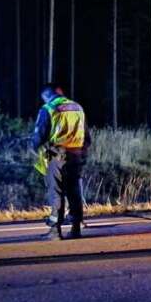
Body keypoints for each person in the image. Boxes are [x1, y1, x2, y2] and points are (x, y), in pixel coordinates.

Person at [31, 83, 91, 240]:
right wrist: (81, 152)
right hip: (76, 155)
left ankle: (55, 231)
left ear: (46, 96)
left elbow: (39, 135)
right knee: (74, 190)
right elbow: (87, 136)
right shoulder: (78, 107)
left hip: (57, 155)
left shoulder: (49, 109)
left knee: (56, 191)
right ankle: (76, 227)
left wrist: (34, 147)